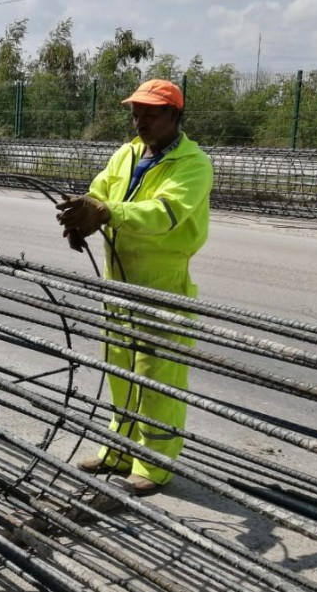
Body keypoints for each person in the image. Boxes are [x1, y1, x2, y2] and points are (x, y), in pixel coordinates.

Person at [56, 79, 213, 496]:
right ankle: (119, 450)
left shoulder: (192, 163)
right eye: (136, 112)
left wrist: (105, 212)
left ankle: (154, 465)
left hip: (161, 280)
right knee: (120, 369)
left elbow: (165, 213)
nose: (140, 120)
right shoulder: (125, 153)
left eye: (151, 113)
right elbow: (100, 191)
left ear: (175, 116)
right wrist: (81, 215)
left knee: (157, 376)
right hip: (117, 279)